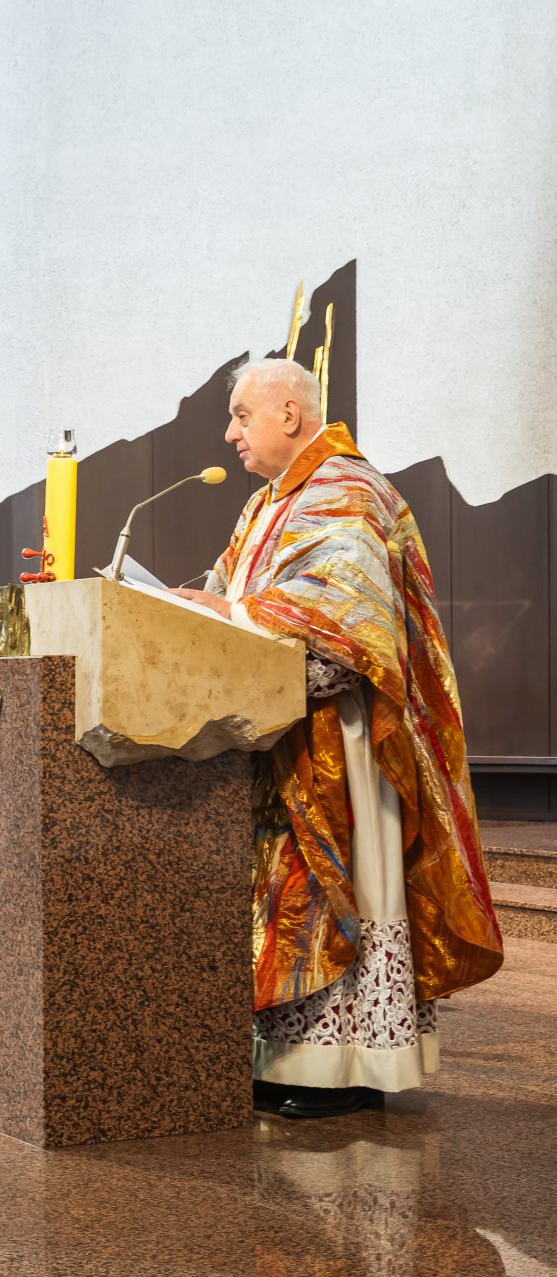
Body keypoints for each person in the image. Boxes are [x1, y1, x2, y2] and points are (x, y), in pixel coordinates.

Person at [172, 357, 504, 1118]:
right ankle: (284, 1060)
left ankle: (350, 1070)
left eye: (241, 417)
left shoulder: (347, 491)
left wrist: (233, 615)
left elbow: (349, 624)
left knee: (345, 889)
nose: (229, 435)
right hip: (274, 734)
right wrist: (190, 607)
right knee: (278, 902)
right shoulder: (265, 505)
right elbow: (229, 593)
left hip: (341, 737)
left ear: (289, 413)